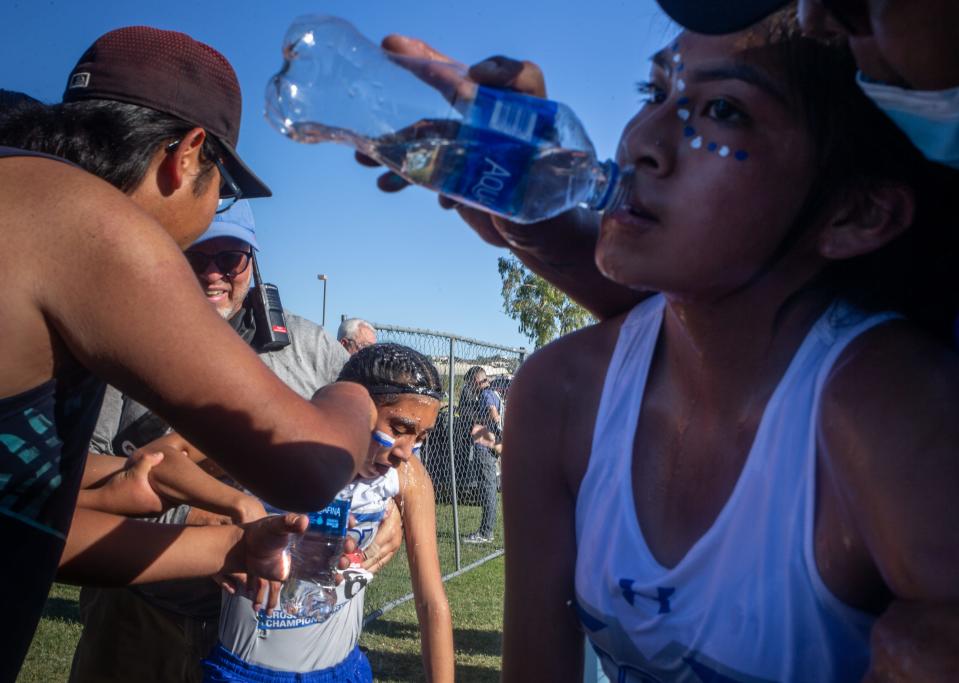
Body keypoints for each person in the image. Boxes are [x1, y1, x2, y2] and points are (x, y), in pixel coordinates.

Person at [492, 12, 959, 682]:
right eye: (653, 95)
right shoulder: (560, 390)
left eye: (720, 110)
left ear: (855, 215)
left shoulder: (891, 412)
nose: (640, 143)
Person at [0, 26, 374, 679]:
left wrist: (234, 540)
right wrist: (358, 389)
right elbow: (307, 466)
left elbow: (43, 527)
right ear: (188, 154)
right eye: (218, 187)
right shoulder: (91, 223)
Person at [68, 202, 397, 683]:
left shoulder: (309, 346)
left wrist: (400, 509)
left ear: (253, 258)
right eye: (194, 256)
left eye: (230, 257)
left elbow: (383, 430)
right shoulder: (121, 336)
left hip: (274, 635)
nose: (212, 273)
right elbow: (76, 475)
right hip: (149, 615)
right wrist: (209, 520)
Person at [203, 343, 454, 683]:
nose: (407, 452)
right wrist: (219, 512)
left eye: (421, 436)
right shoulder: (277, 445)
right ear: (354, 408)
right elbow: (164, 463)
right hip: (246, 671)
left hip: (341, 670)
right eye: (398, 429)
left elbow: (430, 603)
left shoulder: (406, 476)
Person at [459, 367, 502, 544]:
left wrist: (477, 421)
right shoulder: (494, 393)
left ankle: (485, 533)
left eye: (470, 384)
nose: (470, 388)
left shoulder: (485, 395)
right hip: (490, 445)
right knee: (489, 487)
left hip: (486, 446)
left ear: (476, 381)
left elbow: (494, 416)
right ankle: (486, 531)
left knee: (488, 488)